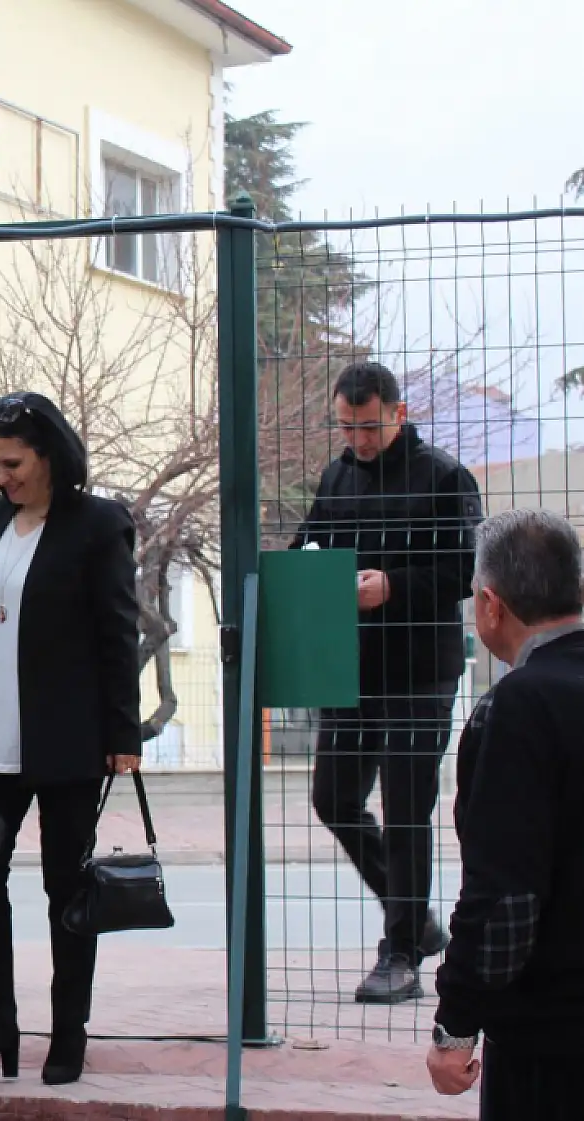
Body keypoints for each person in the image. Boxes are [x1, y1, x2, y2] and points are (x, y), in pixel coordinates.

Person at [0, 392, 141, 1087]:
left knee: (65, 890)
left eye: (12, 462)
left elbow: (119, 630)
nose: (1, 477)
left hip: (67, 741)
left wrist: (123, 730)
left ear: (48, 452)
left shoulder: (98, 523)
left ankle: (69, 1031)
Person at [292, 361, 483, 1004]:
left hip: (420, 672)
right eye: (347, 426)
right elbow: (307, 551)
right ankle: (417, 920)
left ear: (397, 413)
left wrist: (392, 586)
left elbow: (464, 574)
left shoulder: (446, 477)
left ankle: (399, 952)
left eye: (369, 425)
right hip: (349, 668)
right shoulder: (336, 475)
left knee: (407, 811)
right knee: (333, 798)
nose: (359, 439)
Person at [428, 509, 584, 1120]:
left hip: (552, 1035)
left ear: (491, 605)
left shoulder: (518, 707)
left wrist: (456, 1026)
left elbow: (505, 898)